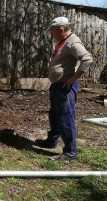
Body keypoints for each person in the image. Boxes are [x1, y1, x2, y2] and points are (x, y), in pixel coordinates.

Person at [35, 16, 93, 161]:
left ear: (61, 30)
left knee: (65, 117)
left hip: (65, 87)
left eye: (53, 31)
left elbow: (87, 59)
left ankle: (70, 152)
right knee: (54, 115)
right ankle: (52, 140)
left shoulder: (73, 42)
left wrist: (73, 78)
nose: (51, 34)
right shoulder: (63, 41)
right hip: (57, 85)